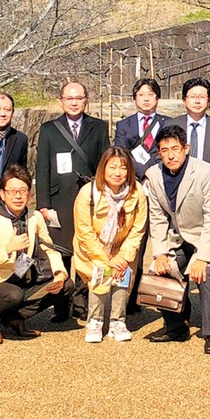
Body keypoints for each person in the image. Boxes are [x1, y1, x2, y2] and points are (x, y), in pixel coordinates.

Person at [143, 125, 210, 353]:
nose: (170, 155)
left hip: (209, 235)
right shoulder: (154, 175)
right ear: (159, 153)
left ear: (186, 148)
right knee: (160, 271)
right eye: (164, 151)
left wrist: (202, 257)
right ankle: (176, 327)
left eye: (175, 149)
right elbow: (157, 217)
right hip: (178, 236)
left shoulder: (206, 172)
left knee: (205, 274)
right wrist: (160, 253)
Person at [34, 80, 109, 325]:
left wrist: (105, 196)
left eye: (78, 98)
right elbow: (42, 168)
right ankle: (61, 304)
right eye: (69, 98)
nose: (74, 102)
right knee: (61, 252)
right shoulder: (49, 129)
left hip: (89, 199)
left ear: (86, 100)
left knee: (87, 250)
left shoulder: (98, 127)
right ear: (61, 101)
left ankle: (82, 303)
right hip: (59, 200)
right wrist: (43, 204)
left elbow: (105, 164)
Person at [0, 165, 67, 342]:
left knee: (65, 286)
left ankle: (13, 317)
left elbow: (49, 247)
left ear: (30, 194)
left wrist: (59, 272)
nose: (18, 196)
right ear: (2, 194)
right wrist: (7, 249)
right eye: (12, 191)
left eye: (23, 191)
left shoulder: (34, 217)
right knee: (13, 295)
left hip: (23, 276)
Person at [73, 146, 148, 344]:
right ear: (103, 168)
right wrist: (105, 258)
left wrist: (123, 255)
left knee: (122, 276)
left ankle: (117, 320)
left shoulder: (137, 192)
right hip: (95, 246)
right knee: (99, 276)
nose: (118, 172)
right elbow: (84, 230)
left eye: (123, 168)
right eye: (112, 167)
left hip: (122, 245)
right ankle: (95, 320)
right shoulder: (88, 193)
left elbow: (138, 228)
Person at [113, 78, 167, 180]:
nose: (146, 99)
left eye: (150, 94)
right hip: (132, 177)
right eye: (141, 95)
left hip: (162, 175)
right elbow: (121, 153)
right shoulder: (123, 125)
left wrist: (156, 171)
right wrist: (144, 171)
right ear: (135, 98)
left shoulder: (168, 123)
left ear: (157, 98)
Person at [0, 92, 29, 194]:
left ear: (13, 112)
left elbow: (21, 173)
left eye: (7, 110)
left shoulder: (20, 140)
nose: (3, 114)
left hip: (7, 197)